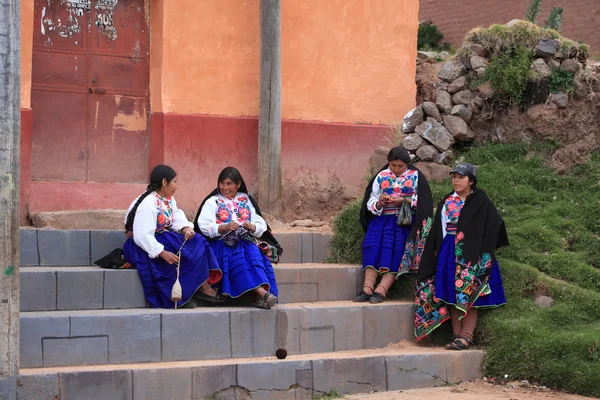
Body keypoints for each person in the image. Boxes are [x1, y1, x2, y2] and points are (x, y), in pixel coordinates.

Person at [414, 162, 508, 349]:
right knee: (450, 291)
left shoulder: (481, 201)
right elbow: (438, 229)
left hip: (471, 253)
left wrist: (481, 247)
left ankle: (466, 335)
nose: (456, 181)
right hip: (448, 249)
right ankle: (456, 336)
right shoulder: (448, 201)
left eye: (461, 177)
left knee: (469, 290)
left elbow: (495, 225)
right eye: (453, 177)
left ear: (471, 181)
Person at [123, 165, 224, 309]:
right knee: (169, 258)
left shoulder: (167, 199)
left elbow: (175, 214)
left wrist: (185, 228)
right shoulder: (148, 204)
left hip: (160, 236)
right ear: (165, 182)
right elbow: (142, 236)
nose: (176, 186)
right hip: (142, 245)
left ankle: (200, 288)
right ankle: (178, 297)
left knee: (198, 241)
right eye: (175, 182)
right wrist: (162, 253)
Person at [194, 167, 281, 309]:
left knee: (253, 251)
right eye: (222, 183)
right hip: (221, 244)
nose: (224, 187)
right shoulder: (213, 201)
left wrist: (252, 226)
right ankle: (262, 293)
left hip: (246, 242)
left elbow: (260, 223)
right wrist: (225, 227)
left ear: (238, 184)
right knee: (238, 254)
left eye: (229, 184)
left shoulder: (246, 200)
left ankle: (258, 296)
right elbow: (203, 225)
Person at [357, 146, 433, 304]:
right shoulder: (381, 176)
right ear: (388, 163)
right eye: (393, 165)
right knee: (371, 246)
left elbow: (424, 202)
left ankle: (382, 290)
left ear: (407, 164)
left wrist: (405, 200)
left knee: (397, 251)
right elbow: (371, 200)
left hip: (403, 222)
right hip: (382, 219)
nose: (396, 169)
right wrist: (380, 202)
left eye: (400, 166)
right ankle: (367, 288)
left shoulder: (415, 176)